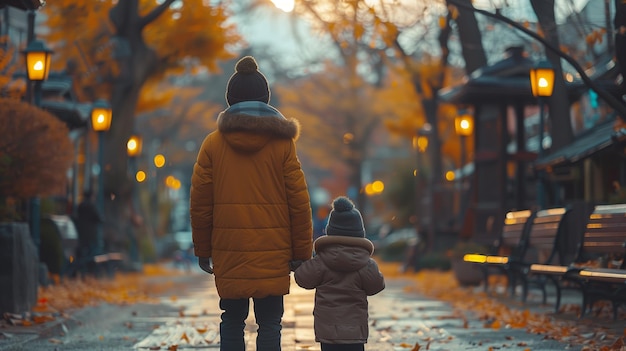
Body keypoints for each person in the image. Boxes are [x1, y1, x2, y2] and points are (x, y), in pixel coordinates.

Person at [189, 55, 313, 351]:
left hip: (229, 248)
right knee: (270, 323)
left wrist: (202, 250)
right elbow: (298, 201)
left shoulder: (213, 144)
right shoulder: (283, 144)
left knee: (231, 319)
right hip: (273, 249)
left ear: (230, 100)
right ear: (266, 98)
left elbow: (200, 203)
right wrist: (301, 252)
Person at [294, 196, 385, 351]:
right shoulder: (366, 264)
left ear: (331, 230)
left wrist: (299, 265)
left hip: (328, 332)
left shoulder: (321, 261)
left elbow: (303, 279)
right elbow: (376, 286)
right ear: (359, 233)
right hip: (354, 332)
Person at [73, 190, 102, 276]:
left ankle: (81, 270)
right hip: (90, 233)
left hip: (80, 232)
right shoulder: (92, 206)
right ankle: (90, 271)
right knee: (91, 251)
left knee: (83, 251)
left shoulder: (80, 206)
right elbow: (99, 218)